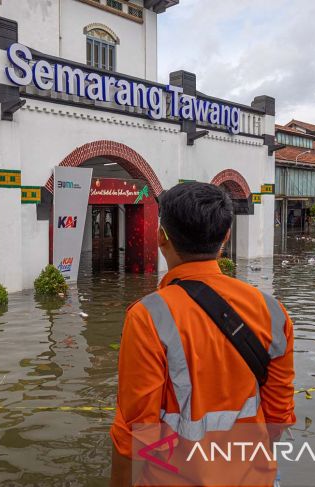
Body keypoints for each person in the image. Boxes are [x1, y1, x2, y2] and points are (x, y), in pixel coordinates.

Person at [110, 182, 296, 486]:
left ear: (161, 237)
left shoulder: (148, 317)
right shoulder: (272, 312)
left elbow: (135, 430)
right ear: (226, 236)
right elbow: (279, 415)